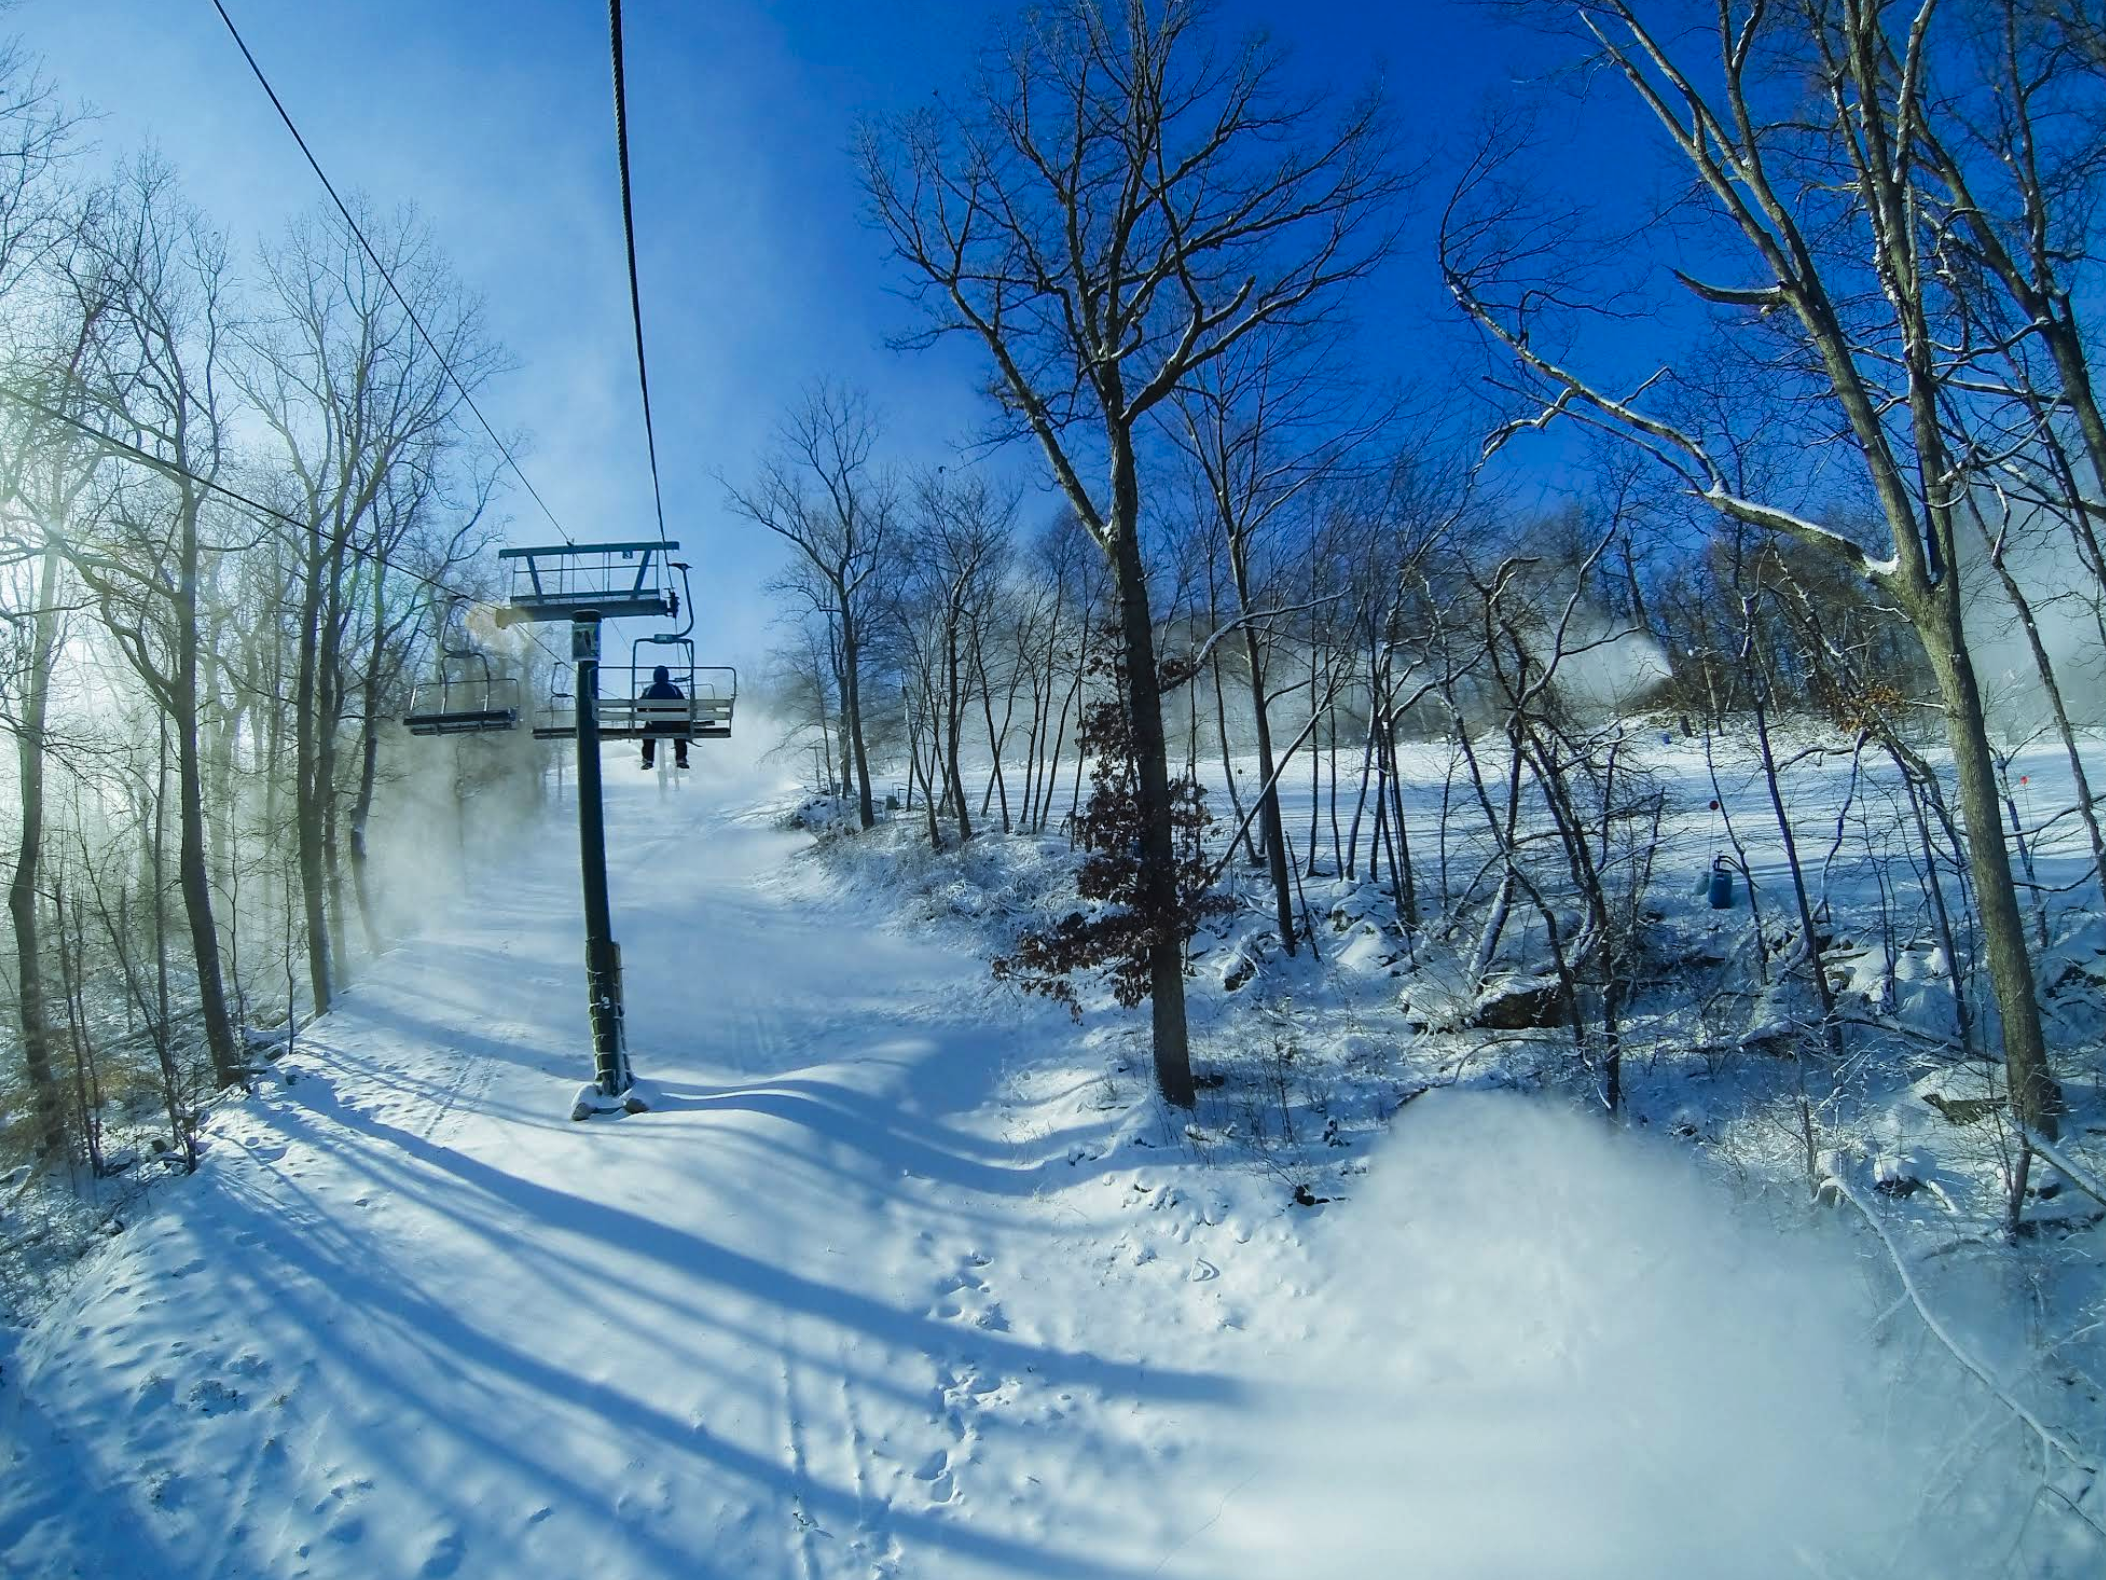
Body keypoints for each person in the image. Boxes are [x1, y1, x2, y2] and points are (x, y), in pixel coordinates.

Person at [639, 664, 690, 770]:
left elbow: (640, 708)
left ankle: (648, 759)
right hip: (673, 725)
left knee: (647, 731)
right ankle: (681, 758)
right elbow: (684, 706)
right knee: (681, 731)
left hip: (654, 726)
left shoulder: (649, 690)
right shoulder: (674, 689)